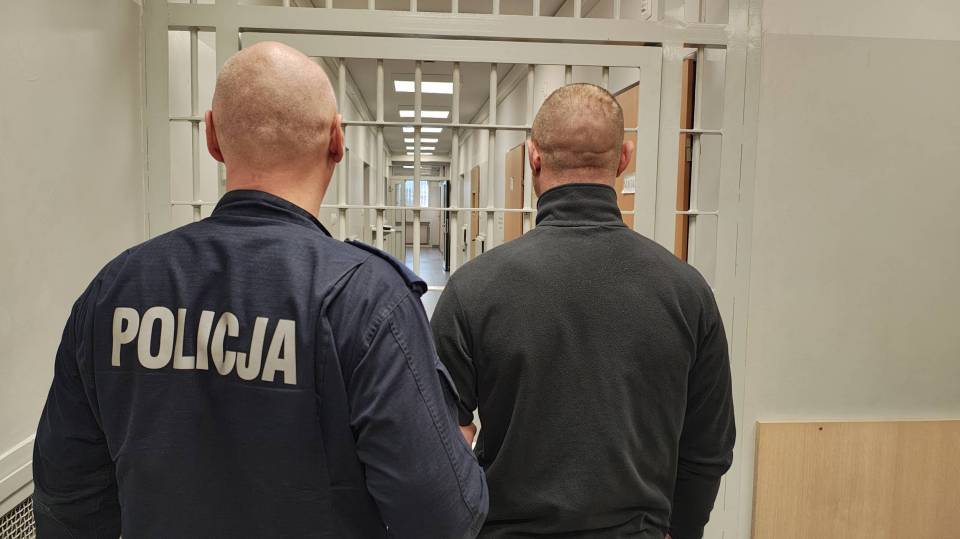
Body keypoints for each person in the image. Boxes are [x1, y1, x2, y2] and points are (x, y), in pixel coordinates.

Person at [32, 42, 487, 539]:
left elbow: (66, 502)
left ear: (212, 136)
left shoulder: (114, 290)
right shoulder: (367, 300)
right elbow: (442, 518)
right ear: (337, 140)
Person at [431, 83, 735, 539]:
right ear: (624, 157)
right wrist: (681, 529)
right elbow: (708, 448)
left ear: (534, 157)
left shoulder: (473, 288)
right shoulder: (686, 292)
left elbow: (438, 437)